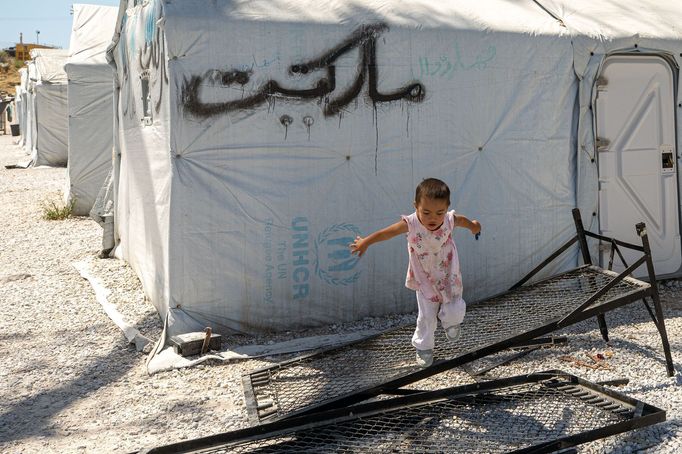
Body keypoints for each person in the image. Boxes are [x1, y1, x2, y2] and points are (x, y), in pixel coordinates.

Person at [349, 178, 481, 367]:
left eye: (439, 212)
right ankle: (424, 347)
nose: (433, 218)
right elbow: (387, 233)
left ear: (447, 208)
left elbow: (465, 222)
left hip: (447, 273)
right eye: (426, 212)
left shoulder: (450, 220)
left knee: (453, 305)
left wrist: (474, 226)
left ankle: (451, 322)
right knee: (427, 315)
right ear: (416, 206)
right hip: (424, 277)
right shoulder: (411, 224)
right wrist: (366, 242)